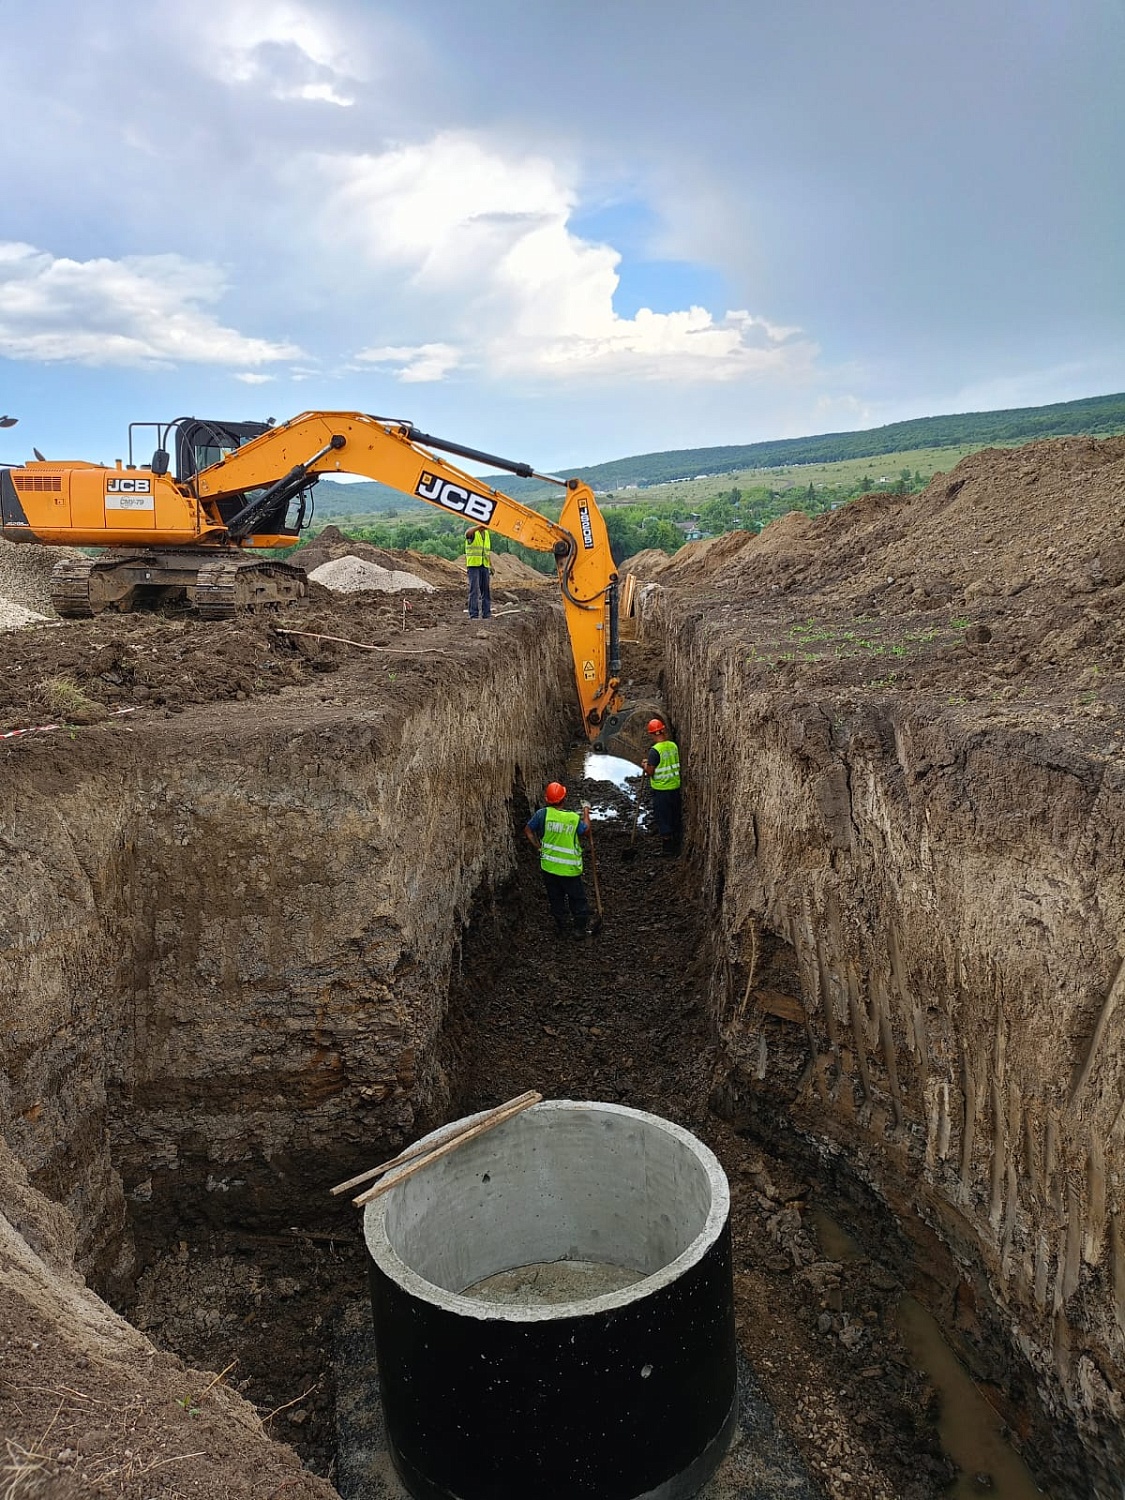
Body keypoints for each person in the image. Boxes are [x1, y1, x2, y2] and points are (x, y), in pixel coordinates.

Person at [524, 781, 591, 937]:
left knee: (556, 898)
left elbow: (528, 831)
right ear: (564, 798)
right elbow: (586, 831)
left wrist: (538, 847)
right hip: (569, 869)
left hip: (549, 867)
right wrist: (586, 810)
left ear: (547, 799)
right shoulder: (573, 818)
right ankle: (579, 929)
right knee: (577, 898)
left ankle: (561, 927)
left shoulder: (542, 814)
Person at [642, 717, 682, 856]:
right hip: (675, 787)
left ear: (652, 734)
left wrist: (645, 765)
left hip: (662, 790)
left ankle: (668, 849)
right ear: (663, 730)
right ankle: (678, 845)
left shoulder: (655, 751)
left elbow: (651, 772)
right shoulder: (673, 746)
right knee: (675, 816)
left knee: (663, 818)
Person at [464, 524, 492, 620]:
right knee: (474, 590)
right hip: (473, 565)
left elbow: (486, 552)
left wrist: (491, 565)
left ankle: (486, 613)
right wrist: (479, 527)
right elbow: (467, 533)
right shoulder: (473, 532)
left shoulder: (487, 534)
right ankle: (473, 614)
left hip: (484, 565)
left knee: (486, 590)